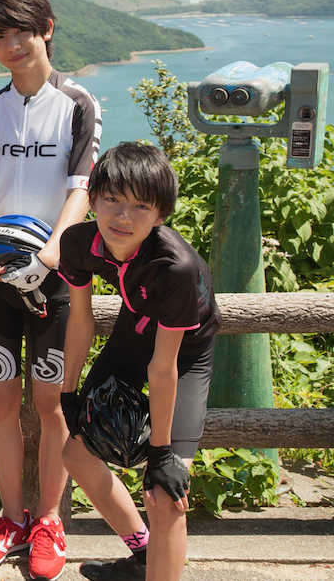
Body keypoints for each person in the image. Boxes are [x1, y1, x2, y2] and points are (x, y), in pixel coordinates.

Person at [0, 0, 101, 580]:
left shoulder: (78, 102)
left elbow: (82, 189)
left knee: (51, 402)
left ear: (47, 29)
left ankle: (50, 520)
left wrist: (51, 253)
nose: (12, 45)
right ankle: (12, 518)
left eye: (22, 32)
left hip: (55, 279)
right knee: (0, 400)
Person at [58, 142, 219, 580]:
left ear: (160, 215)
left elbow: (164, 367)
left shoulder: (175, 267)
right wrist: (68, 392)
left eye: (140, 206)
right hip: (135, 331)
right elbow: (81, 320)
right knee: (76, 454)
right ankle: (144, 556)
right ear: (92, 199)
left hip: (186, 353)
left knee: (165, 494)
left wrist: (162, 453)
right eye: (112, 199)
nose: (123, 217)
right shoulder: (78, 243)